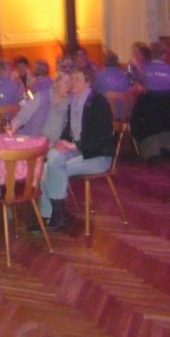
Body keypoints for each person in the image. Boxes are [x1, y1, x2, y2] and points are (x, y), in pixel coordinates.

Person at [39, 67, 114, 229]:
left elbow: (101, 138)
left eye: (77, 79)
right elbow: (69, 132)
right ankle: (48, 215)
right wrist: (61, 142)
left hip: (97, 156)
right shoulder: (73, 103)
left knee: (54, 167)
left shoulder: (98, 102)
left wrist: (75, 145)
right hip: (78, 152)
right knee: (47, 164)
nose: (72, 82)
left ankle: (56, 216)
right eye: (72, 79)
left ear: (88, 83)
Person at [7, 60, 53, 136]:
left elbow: (29, 100)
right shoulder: (50, 82)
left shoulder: (39, 86)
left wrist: (25, 89)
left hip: (36, 125)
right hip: (44, 123)